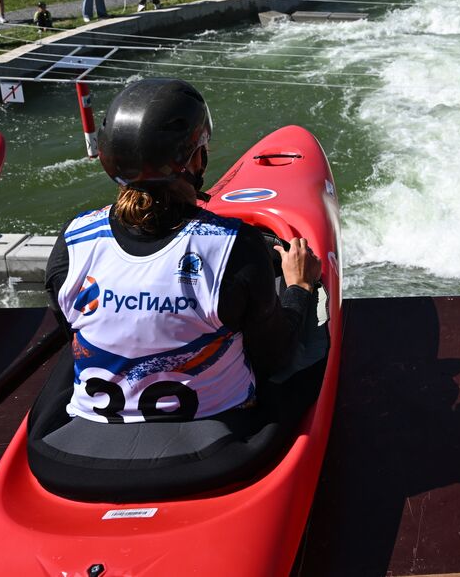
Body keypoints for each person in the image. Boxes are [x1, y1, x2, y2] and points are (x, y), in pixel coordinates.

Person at [44, 78, 323, 426]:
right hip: (216, 442)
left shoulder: (73, 241)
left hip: (80, 450)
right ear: (196, 158)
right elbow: (276, 356)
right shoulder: (236, 246)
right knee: (309, 343)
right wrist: (300, 287)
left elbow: (70, 326)